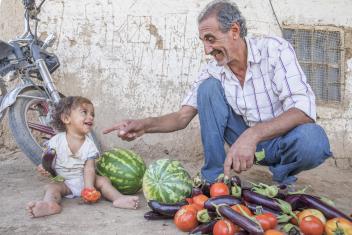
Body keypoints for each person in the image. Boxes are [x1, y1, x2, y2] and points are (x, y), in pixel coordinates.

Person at [103, 0, 332, 185]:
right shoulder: (213, 70)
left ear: (234, 30)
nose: (207, 50)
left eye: (211, 39)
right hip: (242, 138)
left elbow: (304, 108)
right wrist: (143, 125)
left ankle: (282, 174)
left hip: (280, 140)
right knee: (208, 89)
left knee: (314, 141)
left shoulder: (274, 50)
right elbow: (182, 117)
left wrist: (253, 135)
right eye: (203, 41)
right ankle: (215, 178)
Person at [26, 96, 139, 218]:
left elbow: (89, 169)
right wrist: (43, 167)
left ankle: (118, 198)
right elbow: (48, 158)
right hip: (65, 183)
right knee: (51, 188)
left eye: (92, 114)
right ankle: (50, 205)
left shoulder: (90, 145)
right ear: (66, 118)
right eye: (84, 112)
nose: (90, 117)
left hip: (85, 180)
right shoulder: (56, 141)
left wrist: (89, 188)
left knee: (103, 181)